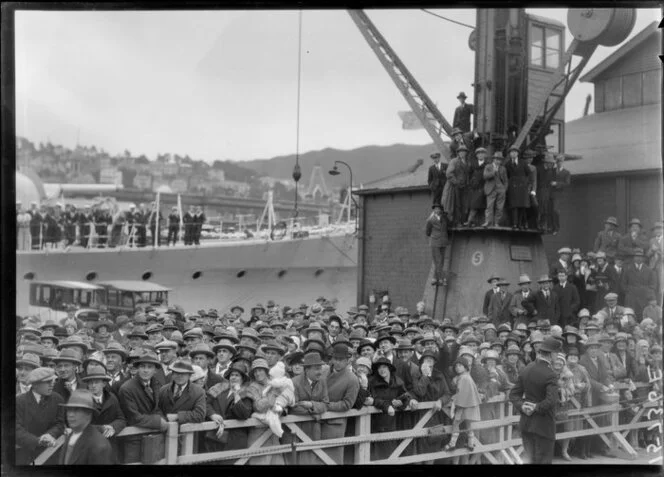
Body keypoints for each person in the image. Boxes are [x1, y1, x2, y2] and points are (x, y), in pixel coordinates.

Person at [508, 336, 560, 464]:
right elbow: (551, 401)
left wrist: (523, 406)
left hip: (526, 424)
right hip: (544, 426)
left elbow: (513, 394)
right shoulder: (550, 374)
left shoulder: (527, 368)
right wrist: (535, 408)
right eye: (557, 353)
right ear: (552, 354)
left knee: (530, 460)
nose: (557, 356)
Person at [117, 351, 168, 463]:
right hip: (134, 438)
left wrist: (162, 419)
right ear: (137, 369)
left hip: (154, 437)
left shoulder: (157, 384)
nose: (145, 370)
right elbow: (133, 417)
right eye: (142, 366)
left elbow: (158, 407)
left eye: (150, 367)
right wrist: (158, 422)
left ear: (155, 370)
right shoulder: (127, 388)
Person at [16, 367, 65, 465]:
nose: (52, 384)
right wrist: (37, 441)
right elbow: (16, 429)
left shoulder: (57, 399)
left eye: (53, 380)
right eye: (48, 382)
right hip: (26, 453)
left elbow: (60, 423)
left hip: (51, 452)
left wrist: (49, 435)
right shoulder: (19, 401)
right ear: (35, 384)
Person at [322, 343, 360, 464]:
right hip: (316, 421)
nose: (337, 362)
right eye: (335, 359)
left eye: (341, 359)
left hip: (334, 424)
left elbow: (347, 404)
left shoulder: (352, 379)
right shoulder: (323, 371)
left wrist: (326, 406)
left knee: (332, 459)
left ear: (347, 361)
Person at [290, 352, 330, 464]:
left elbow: (326, 404)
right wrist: (313, 412)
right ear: (307, 370)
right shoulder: (294, 382)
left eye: (320, 368)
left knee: (312, 459)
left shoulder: (322, 381)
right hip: (296, 429)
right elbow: (293, 406)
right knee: (294, 460)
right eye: (317, 369)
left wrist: (311, 405)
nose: (320, 372)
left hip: (314, 430)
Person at [368, 357, 411, 460]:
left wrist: (401, 403)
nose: (382, 370)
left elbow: (406, 396)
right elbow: (373, 399)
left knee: (392, 453)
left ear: (389, 369)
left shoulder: (397, 381)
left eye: (384, 367)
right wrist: (387, 405)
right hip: (376, 423)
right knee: (378, 455)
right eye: (379, 368)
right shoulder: (373, 382)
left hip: (393, 422)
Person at [57, 389, 114, 465]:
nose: (71, 415)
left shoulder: (99, 445)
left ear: (88, 414)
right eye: (69, 410)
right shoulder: (71, 436)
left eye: (76, 410)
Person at [445, 358, 481, 451]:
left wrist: (454, 399)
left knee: (456, 423)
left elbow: (460, 393)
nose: (457, 368)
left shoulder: (463, 378)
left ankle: (452, 444)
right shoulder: (467, 376)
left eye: (460, 366)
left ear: (465, 367)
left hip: (464, 405)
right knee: (469, 425)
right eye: (456, 366)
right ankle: (471, 443)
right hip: (471, 405)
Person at [157, 359, 206, 425]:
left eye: (183, 374)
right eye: (177, 373)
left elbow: (199, 415)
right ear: (172, 374)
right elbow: (157, 409)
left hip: (188, 432)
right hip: (165, 430)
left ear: (189, 375)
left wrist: (177, 416)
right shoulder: (163, 390)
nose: (180, 376)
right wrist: (163, 420)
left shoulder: (199, 392)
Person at [622, 248, 657, 320]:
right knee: (630, 317)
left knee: (642, 317)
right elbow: (623, 284)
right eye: (637, 256)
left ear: (643, 258)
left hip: (644, 299)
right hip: (631, 299)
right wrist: (629, 292)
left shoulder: (649, 270)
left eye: (640, 256)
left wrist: (645, 292)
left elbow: (653, 285)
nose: (638, 258)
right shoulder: (627, 269)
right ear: (634, 257)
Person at [442, 144, 471, 225]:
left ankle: (463, 221)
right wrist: (456, 182)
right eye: (460, 152)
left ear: (466, 153)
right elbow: (449, 174)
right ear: (458, 153)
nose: (462, 153)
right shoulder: (454, 161)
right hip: (455, 187)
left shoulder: (468, 162)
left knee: (464, 204)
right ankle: (457, 222)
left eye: (464, 152)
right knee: (456, 204)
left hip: (465, 186)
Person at [505, 145, 532, 230]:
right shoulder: (507, 164)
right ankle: (515, 224)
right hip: (512, 188)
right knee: (514, 206)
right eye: (511, 152)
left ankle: (521, 224)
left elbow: (529, 173)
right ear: (509, 154)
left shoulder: (523, 162)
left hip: (522, 188)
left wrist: (526, 184)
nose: (513, 153)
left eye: (515, 152)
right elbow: (507, 176)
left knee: (522, 206)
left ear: (517, 153)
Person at [425, 204, 450, 287]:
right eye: (435, 209)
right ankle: (442, 279)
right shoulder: (431, 220)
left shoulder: (444, 218)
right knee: (438, 261)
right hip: (435, 242)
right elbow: (427, 232)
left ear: (441, 210)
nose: (437, 210)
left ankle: (434, 278)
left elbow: (448, 226)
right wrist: (434, 236)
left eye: (438, 209)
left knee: (440, 261)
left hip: (443, 241)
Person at [482, 151, 508, 227]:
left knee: (499, 207)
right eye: (496, 159)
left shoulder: (503, 168)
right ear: (493, 159)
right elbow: (485, 176)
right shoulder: (488, 166)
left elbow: (506, 180)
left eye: (499, 160)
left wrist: (504, 189)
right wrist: (493, 172)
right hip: (491, 189)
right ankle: (488, 222)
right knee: (489, 206)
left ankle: (497, 222)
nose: (498, 161)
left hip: (501, 189)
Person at [466, 147, 489, 227]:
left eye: (482, 153)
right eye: (479, 154)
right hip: (474, 188)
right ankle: (470, 221)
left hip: (483, 187)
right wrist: (470, 184)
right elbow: (468, 174)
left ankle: (485, 222)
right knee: (473, 205)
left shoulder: (488, 164)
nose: (480, 155)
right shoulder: (473, 164)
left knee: (484, 205)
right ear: (476, 155)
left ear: (485, 155)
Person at [536, 153, 557, 232]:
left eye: (552, 164)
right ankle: (537, 224)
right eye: (551, 163)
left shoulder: (550, 171)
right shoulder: (538, 169)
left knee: (545, 209)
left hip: (547, 193)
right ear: (546, 162)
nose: (552, 165)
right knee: (539, 209)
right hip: (539, 191)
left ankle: (542, 225)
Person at [551, 154, 571, 235]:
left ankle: (556, 228)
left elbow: (567, 183)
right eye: (557, 161)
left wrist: (557, 183)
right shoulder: (552, 170)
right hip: (550, 193)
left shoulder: (566, 172)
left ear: (563, 162)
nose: (559, 163)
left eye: (560, 161)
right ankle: (550, 226)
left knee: (555, 210)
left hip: (559, 194)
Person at [647, 221, 663, 301]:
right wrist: (652, 250)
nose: (658, 231)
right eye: (656, 229)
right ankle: (654, 304)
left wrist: (659, 252)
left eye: (660, 229)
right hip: (653, 267)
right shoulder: (651, 240)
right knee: (653, 286)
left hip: (662, 267)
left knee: (661, 287)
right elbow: (647, 255)